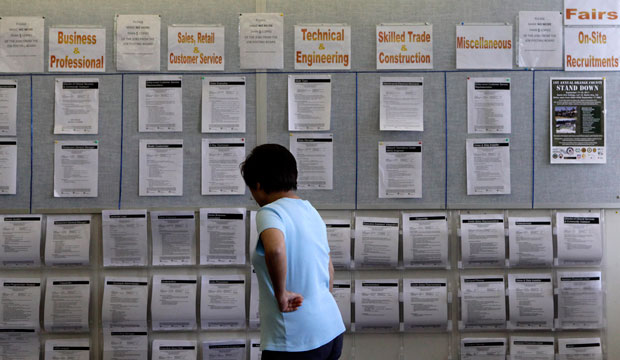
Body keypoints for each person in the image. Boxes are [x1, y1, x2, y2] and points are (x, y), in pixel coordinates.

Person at [241, 143, 345, 360]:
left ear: (258, 184)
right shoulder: (310, 210)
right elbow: (329, 268)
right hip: (330, 329)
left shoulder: (270, 211)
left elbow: (276, 249)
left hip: (295, 340)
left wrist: (281, 294)